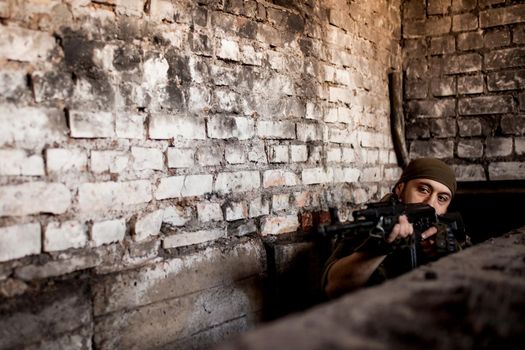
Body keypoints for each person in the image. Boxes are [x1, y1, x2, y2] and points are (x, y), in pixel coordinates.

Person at [322, 157, 462, 299]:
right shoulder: (374, 224)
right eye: (423, 190)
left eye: (442, 198)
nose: (431, 203)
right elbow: (332, 287)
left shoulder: (444, 230)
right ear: (400, 189)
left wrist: (453, 254)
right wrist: (376, 251)